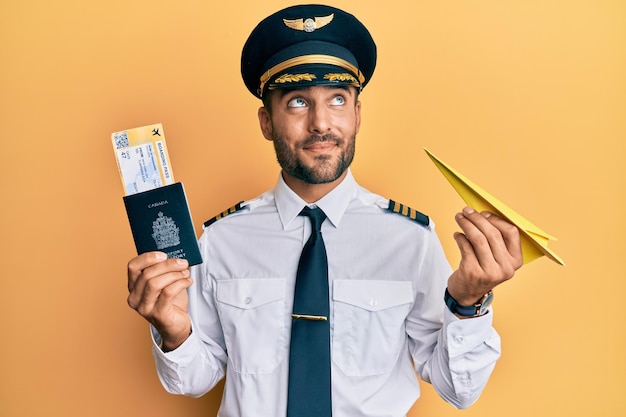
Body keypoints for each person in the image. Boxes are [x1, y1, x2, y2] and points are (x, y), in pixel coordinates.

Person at [126, 4, 523, 417]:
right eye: (297, 101)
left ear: (357, 114)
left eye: (337, 99)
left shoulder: (411, 238)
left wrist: (468, 302)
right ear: (266, 122)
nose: (320, 123)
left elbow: (458, 389)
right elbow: (195, 379)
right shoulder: (222, 239)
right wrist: (173, 331)